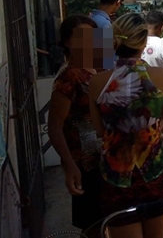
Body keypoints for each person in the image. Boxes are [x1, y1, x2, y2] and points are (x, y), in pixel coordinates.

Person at [88, 13, 163, 238]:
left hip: (116, 174)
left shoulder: (97, 82)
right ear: (144, 42)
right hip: (155, 169)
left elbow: (99, 130)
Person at [48, 15, 103, 238]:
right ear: (68, 42)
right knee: (93, 226)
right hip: (84, 163)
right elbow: (54, 127)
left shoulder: (93, 70)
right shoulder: (69, 76)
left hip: (101, 157)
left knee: (104, 220)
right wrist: (69, 166)